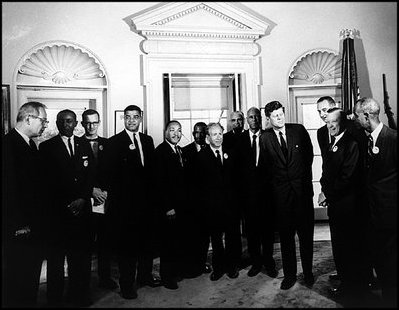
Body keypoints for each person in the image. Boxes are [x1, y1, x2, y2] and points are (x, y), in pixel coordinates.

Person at [101, 105, 161, 300]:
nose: (132, 121)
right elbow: (109, 177)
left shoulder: (147, 140)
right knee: (127, 249)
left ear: (140, 119)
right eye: (128, 117)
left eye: (135, 117)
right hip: (125, 208)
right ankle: (127, 285)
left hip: (147, 205)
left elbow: (151, 173)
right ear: (124, 119)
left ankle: (145, 277)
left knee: (146, 244)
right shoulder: (114, 143)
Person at [40, 109, 94, 307]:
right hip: (59, 215)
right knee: (56, 261)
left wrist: (82, 198)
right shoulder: (47, 147)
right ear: (56, 123)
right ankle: (54, 299)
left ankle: (79, 296)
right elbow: (46, 183)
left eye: (70, 121)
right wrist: (66, 204)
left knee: (80, 258)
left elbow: (91, 175)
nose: (66, 124)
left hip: (81, 213)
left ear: (76, 123)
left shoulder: (84, 144)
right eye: (62, 121)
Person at [259, 101, 314, 290]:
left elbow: (308, 158)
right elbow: (266, 167)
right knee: (286, 239)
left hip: (302, 195)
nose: (279, 118)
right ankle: (290, 275)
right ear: (268, 118)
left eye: (281, 114)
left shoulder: (298, 130)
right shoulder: (265, 138)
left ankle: (308, 273)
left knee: (306, 237)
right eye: (275, 115)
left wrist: (304, 185)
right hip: (281, 198)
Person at [318, 108, 370, 305]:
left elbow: (347, 177)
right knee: (340, 248)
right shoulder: (333, 142)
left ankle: (353, 291)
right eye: (327, 122)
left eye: (334, 121)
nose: (329, 125)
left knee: (349, 250)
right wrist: (324, 189)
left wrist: (328, 193)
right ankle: (346, 285)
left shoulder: (352, 143)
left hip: (349, 207)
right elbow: (326, 172)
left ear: (342, 122)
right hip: (336, 205)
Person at [2, 101, 48, 307]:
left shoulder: (30, 144)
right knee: (16, 281)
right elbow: (8, 190)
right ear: (29, 118)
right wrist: (18, 225)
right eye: (43, 120)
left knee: (30, 279)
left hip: (33, 226)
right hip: (19, 229)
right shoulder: (8, 144)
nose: (45, 125)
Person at [354, 97, 397, 307]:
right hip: (371, 216)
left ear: (366, 115)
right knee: (379, 262)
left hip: (390, 217)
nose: (354, 119)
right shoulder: (365, 140)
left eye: (356, 115)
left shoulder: (393, 139)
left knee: (391, 266)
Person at [195, 122, 242, 281]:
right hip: (212, 207)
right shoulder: (201, 156)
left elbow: (238, 180)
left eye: (220, 134)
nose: (218, 137)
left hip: (231, 205)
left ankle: (232, 267)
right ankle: (218, 268)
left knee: (232, 238)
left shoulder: (232, 153)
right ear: (208, 138)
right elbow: (199, 186)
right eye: (214, 134)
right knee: (216, 240)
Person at [236, 107, 277, 278]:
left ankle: (269, 263)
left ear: (261, 118)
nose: (254, 120)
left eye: (256, 117)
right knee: (252, 232)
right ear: (247, 119)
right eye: (250, 117)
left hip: (267, 194)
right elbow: (236, 170)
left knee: (267, 232)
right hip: (248, 196)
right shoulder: (240, 140)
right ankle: (256, 262)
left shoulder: (269, 136)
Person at [81, 109, 117, 290]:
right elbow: (76, 176)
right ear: (82, 124)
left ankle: (105, 278)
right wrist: (91, 191)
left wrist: (107, 192)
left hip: (106, 202)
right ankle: (84, 282)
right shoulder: (77, 143)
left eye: (94, 122)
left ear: (99, 122)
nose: (91, 126)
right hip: (86, 203)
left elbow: (114, 172)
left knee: (105, 242)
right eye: (87, 123)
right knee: (86, 244)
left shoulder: (108, 144)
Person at [153, 120, 187, 289]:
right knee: (167, 244)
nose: (176, 133)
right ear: (165, 132)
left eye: (179, 130)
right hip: (169, 208)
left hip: (180, 205)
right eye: (172, 130)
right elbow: (159, 183)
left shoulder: (179, 150)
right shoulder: (161, 152)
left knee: (177, 241)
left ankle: (175, 272)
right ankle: (167, 277)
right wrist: (168, 207)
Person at [181, 122, 212, 277]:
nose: (199, 135)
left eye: (202, 132)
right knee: (192, 236)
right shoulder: (185, 151)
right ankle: (191, 265)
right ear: (193, 134)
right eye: (196, 133)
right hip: (191, 202)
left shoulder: (211, 150)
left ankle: (201, 263)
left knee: (205, 236)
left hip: (207, 201)